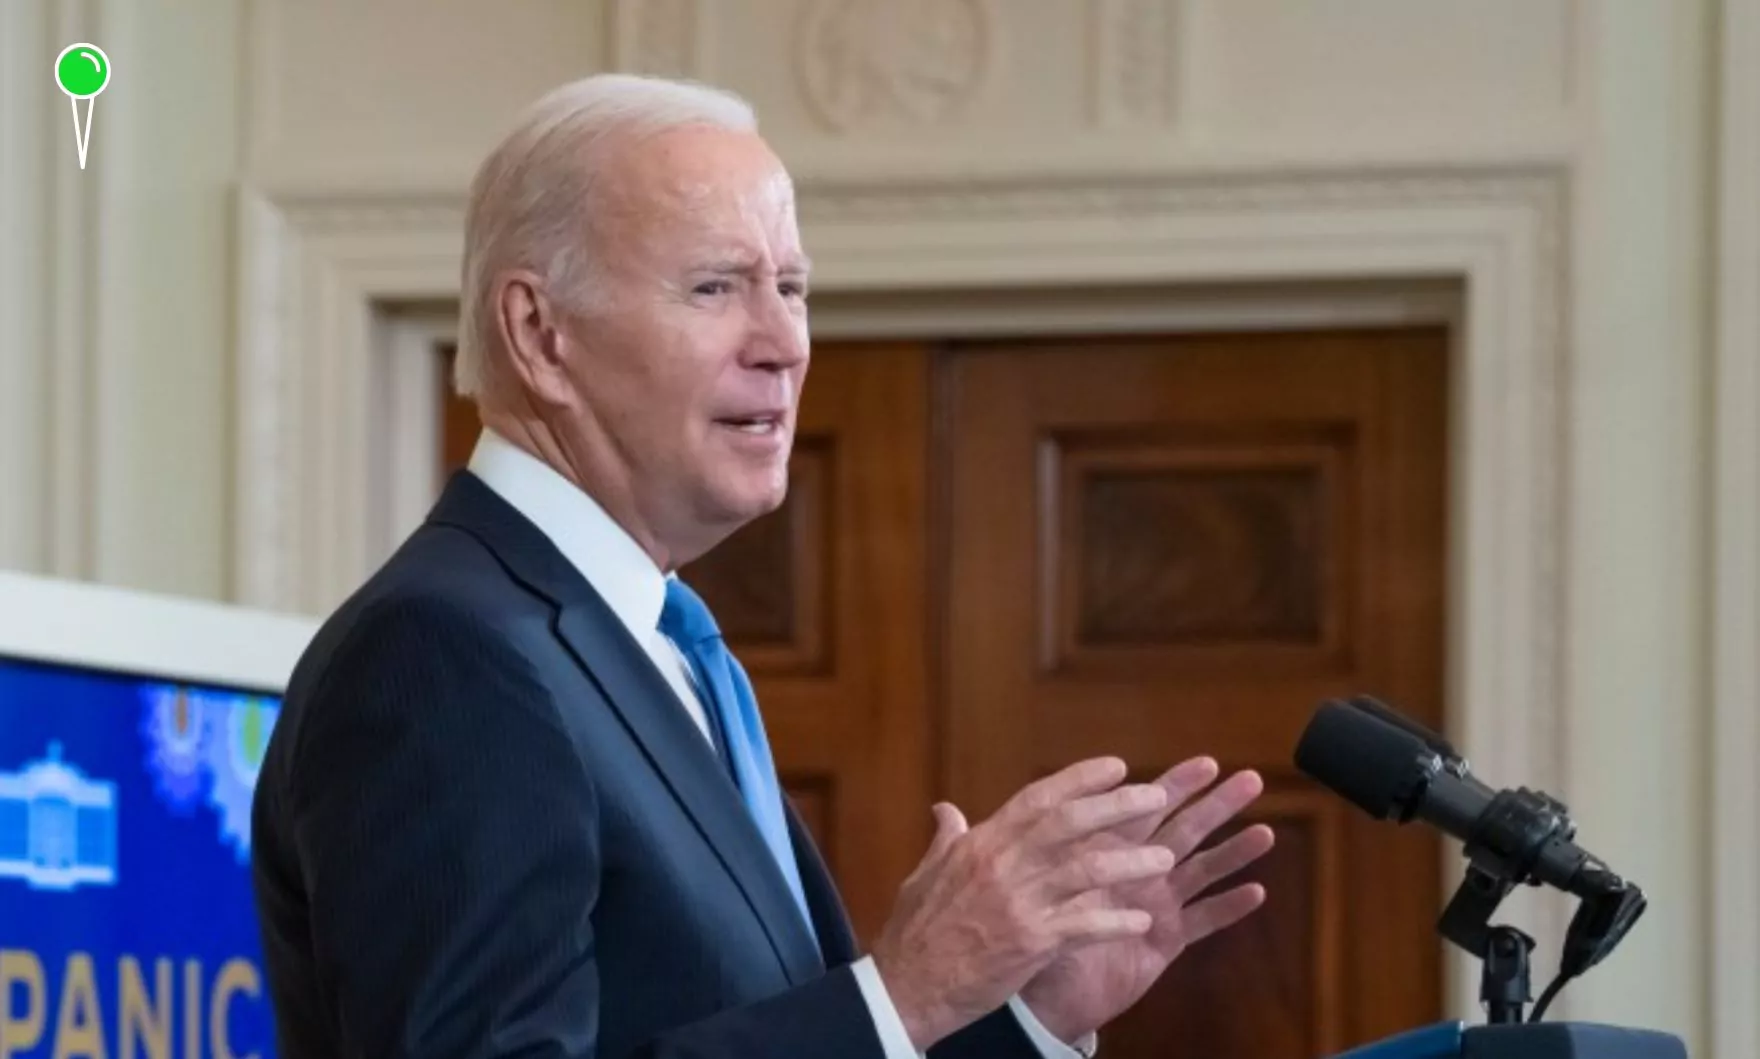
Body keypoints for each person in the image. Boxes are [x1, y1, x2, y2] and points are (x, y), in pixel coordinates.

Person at [249, 73, 1276, 1059]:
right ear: (539, 334)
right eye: (715, 287)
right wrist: (902, 992)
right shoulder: (447, 654)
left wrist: (1014, 1022)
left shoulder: (658, 649)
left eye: (790, 287)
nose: (785, 341)